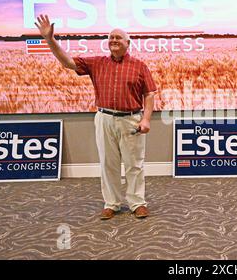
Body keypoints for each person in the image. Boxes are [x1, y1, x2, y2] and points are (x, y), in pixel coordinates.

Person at [35, 14, 157, 221]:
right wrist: (49, 39)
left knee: (134, 163)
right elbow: (67, 62)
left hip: (131, 120)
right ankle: (112, 204)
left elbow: (150, 94)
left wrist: (145, 119)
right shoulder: (97, 63)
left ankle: (137, 203)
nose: (114, 40)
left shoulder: (139, 66)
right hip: (104, 119)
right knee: (108, 163)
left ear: (128, 43)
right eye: (111, 37)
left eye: (119, 37)